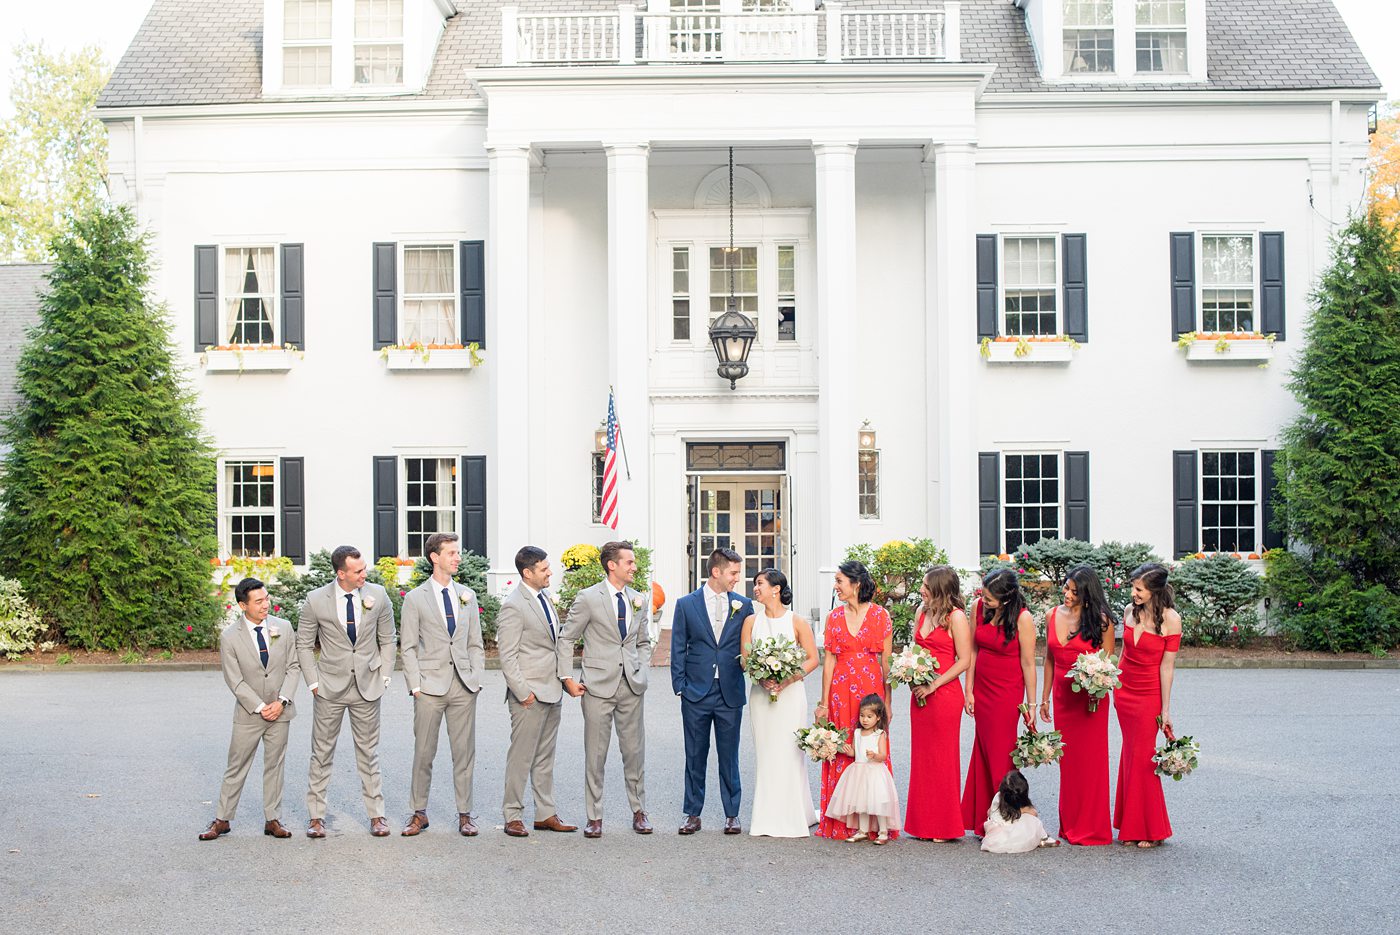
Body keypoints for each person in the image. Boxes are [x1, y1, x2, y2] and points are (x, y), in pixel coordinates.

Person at [297, 545, 397, 837]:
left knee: (369, 753)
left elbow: (388, 639)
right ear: (341, 574)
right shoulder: (316, 600)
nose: (364, 574)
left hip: (368, 686)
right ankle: (316, 817)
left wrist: (386, 675)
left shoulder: (378, 595)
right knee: (322, 752)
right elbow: (303, 644)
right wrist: (313, 682)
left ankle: (377, 815)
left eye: (364, 568)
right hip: (329, 688)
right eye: (358, 571)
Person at [560, 540, 652, 838]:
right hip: (597, 687)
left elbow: (642, 641)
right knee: (596, 754)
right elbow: (566, 639)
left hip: (631, 686)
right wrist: (567, 678)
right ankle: (594, 816)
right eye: (629, 562)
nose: (634, 567)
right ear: (612, 565)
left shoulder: (639, 598)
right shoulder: (588, 598)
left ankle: (639, 812)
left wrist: (642, 669)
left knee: (634, 752)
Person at [197, 577, 300, 841]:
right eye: (259, 601)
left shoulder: (284, 628)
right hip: (249, 713)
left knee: (275, 765)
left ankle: (273, 819)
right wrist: (261, 706)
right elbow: (235, 680)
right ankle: (222, 819)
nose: (266, 605)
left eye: (266, 598)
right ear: (243, 605)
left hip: (281, 711)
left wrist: (282, 701)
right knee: (236, 765)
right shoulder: (230, 637)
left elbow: (293, 666)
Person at [398, 532, 486, 838]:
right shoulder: (415, 598)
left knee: (464, 754)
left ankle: (465, 815)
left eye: (457, 552)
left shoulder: (468, 595)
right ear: (435, 557)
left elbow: (476, 642)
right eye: (451, 553)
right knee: (423, 753)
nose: (457, 557)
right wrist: (415, 686)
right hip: (429, 688)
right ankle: (418, 813)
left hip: (464, 686)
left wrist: (476, 678)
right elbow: (407, 646)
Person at [495, 545, 579, 837]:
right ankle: (513, 815)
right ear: (527, 573)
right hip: (529, 696)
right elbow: (507, 655)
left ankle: (545, 814)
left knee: (545, 756)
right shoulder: (514, 605)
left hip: (552, 690)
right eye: (544, 569)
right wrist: (523, 692)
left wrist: (564, 680)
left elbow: (553, 644)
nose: (550, 573)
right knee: (521, 757)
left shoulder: (544, 598)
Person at [670, 547, 753, 835]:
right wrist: (680, 685)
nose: (737, 579)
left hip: (730, 691)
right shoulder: (686, 604)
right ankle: (692, 813)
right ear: (716, 572)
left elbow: (749, 645)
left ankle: (732, 814)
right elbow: (678, 646)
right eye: (733, 573)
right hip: (696, 692)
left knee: (729, 755)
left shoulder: (744, 605)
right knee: (695, 754)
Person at [814, 559, 895, 840]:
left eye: (839, 581)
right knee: (844, 747)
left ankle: (874, 824)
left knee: (871, 749)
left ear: (856, 584)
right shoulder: (833, 617)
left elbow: (887, 664)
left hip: (870, 690)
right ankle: (843, 823)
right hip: (840, 691)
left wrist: (888, 701)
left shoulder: (881, 616)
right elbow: (828, 662)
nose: (835, 586)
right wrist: (823, 702)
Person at [1038, 563, 1115, 845]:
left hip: (1090, 700)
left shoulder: (1102, 621)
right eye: (1066, 587)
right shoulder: (1050, 615)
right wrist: (1043, 697)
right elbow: (1048, 659)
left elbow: (1107, 665)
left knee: (1091, 763)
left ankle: (1092, 827)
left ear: (1087, 594)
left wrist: (1097, 690)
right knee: (1068, 763)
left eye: (1073, 591)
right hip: (1062, 697)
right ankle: (1070, 824)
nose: (1067, 594)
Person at [740, 568, 818, 838]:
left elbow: (812, 658)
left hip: (791, 695)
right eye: (755, 584)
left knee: (789, 751)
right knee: (767, 752)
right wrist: (762, 680)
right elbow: (744, 659)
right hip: (762, 697)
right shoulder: (751, 621)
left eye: (760, 583)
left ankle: (796, 814)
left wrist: (788, 679)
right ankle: (766, 817)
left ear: (776, 588)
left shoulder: (797, 621)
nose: (755, 588)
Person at [960, 567, 1037, 837]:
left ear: (1006, 598)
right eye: (983, 594)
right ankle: (987, 817)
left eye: (990, 598)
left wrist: (1031, 706)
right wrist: (968, 689)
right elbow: (972, 649)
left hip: (1007, 692)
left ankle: (1016, 813)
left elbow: (1029, 663)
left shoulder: (1023, 619)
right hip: (982, 688)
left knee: (1001, 752)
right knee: (982, 750)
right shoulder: (977, 608)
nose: (985, 600)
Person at [1114, 562, 1182, 848]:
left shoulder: (1171, 619)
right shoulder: (1130, 612)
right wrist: (1111, 681)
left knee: (1143, 758)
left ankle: (1152, 830)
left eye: (1139, 589)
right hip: (1124, 692)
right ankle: (1130, 827)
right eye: (1133, 587)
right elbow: (1124, 653)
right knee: (1130, 755)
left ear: (1155, 590)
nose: (1134, 592)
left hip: (1148, 695)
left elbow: (1167, 668)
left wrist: (1165, 710)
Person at [903, 565, 971, 842]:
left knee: (943, 758)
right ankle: (923, 824)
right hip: (919, 692)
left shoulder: (956, 618)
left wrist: (934, 684)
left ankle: (944, 825)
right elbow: (915, 651)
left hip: (943, 694)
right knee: (922, 758)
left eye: (926, 586)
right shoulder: (921, 612)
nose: (921, 590)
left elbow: (964, 660)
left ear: (940, 590)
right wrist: (910, 674)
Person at [825, 694, 901, 844]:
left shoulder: (879, 734)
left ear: (878, 717)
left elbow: (883, 755)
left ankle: (883, 832)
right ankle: (862, 830)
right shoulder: (857, 733)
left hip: (874, 772)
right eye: (862, 716)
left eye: (869, 716)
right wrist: (848, 751)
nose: (865, 720)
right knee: (861, 803)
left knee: (878, 802)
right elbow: (855, 752)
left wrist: (875, 755)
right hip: (858, 772)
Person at [980, 769, 1059, 853]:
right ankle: (1044, 838)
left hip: (994, 839)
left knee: (995, 821)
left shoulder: (998, 797)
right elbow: (1034, 813)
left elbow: (989, 812)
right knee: (1034, 821)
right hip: (1017, 836)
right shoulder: (1022, 806)